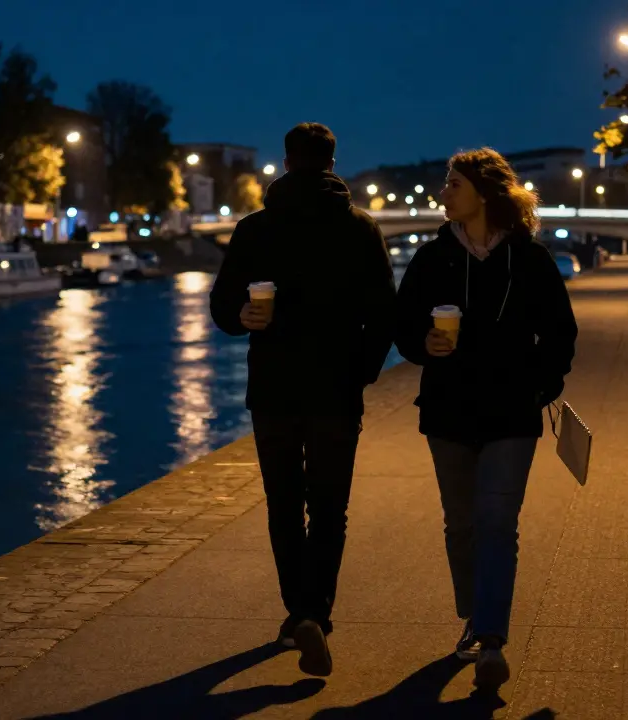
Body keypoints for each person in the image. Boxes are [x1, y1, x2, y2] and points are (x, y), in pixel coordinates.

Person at [209, 122, 396, 677]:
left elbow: (223, 307)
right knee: (330, 510)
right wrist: (361, 372)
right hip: (337, 390)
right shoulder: (361, 229)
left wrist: (244, 318)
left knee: (284, 506)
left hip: (273, 390)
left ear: (287, 164)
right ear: (333, 165)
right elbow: (384, 313)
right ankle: (316, 610)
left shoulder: (255, 230)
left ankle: (298, 611)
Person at [394, 148, 577, 690]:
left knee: (498, 522)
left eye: (453, 184)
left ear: (484, 192)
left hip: (511, 415)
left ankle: (491, 637)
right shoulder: (431, 259)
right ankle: (475, 616)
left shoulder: (531, 260)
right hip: (448, 413)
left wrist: (541, 385)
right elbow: (401, 326)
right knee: (463, 524)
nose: (442, 193)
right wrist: (422, 345)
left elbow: (561, 334)